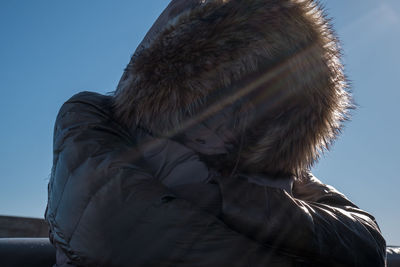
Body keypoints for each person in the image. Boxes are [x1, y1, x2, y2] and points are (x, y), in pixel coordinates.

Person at [45, 0, 387, 266]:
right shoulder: (105, 130)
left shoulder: (271, 172)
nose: (223, 131)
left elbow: (366, 239)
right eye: (207, 105)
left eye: (251, 112)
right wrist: (232, 198)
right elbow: (117, 221)